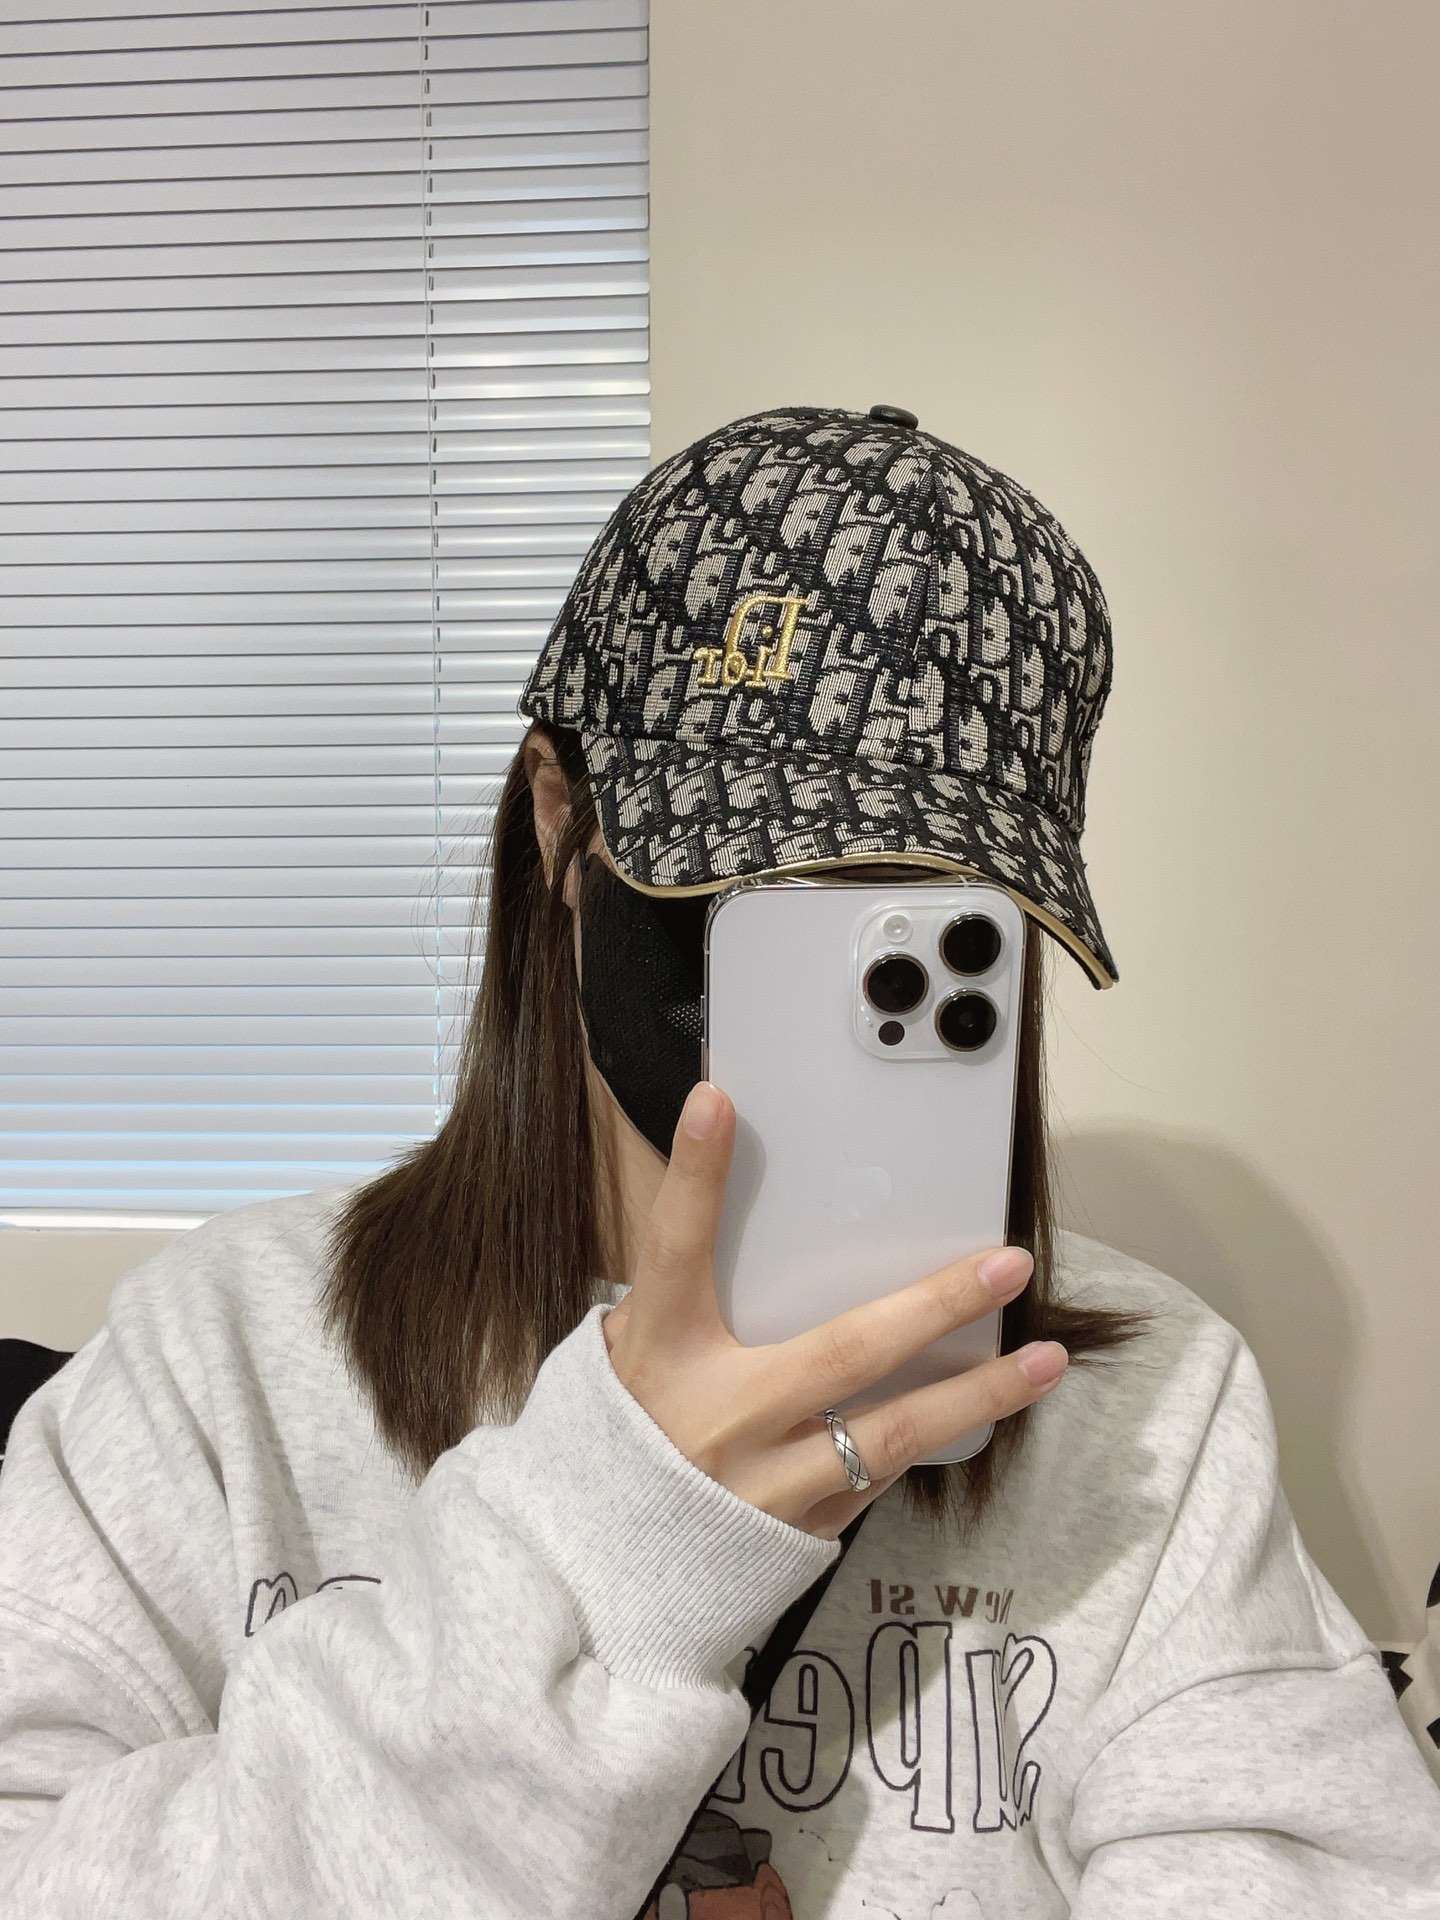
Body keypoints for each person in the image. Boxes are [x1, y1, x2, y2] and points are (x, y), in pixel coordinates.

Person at [0, 404, 1436, 1918]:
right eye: (754, 879)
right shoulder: (223, 1367)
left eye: (914, 901)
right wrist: (617, 1531)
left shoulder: (1151, 1419)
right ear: (560, 818)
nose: (819, 972)